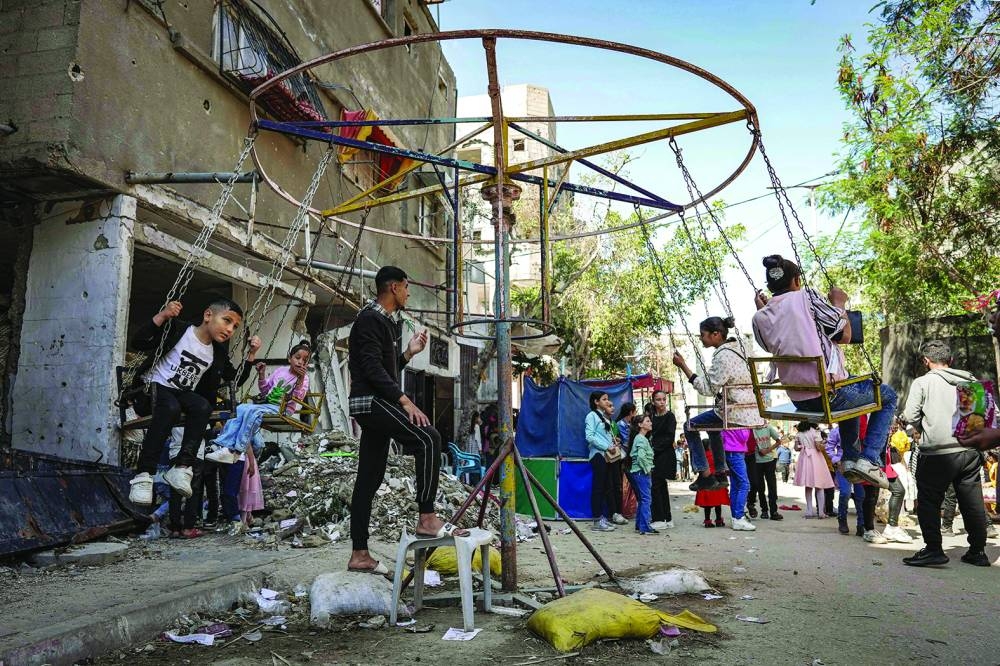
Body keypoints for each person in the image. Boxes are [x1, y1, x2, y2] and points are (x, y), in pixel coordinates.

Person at [347, 266, 466, 576]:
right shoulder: (370, 319)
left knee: (369, 479)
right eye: (406, 287)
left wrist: (408, 354)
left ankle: (359, 553)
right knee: (428, 438)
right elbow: (372, 371)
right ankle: (427, 517)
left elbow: (383, 369)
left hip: (374, 402)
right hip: (371, 402)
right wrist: (405, 400)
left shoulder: (384, 322)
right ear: (394, 287)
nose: (408, 293)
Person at [751, 254, 898, 488]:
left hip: (800, 400)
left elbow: (772, 342)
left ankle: (850, 460)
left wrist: (766, 309)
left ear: (770, 286)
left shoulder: (759, 317)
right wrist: (839, 303)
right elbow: (843, 333)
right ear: (797, 280)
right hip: (829, 395)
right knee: (888, 396)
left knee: (851, 394)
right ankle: (869, 459)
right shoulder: (806, 296)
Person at [126, 298, 261, 505]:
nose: (230, 329)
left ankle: (182, 467)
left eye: (234, 327)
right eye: (226, 320)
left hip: (179, 394)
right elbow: (139, 342)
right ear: (208, 315)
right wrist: (163, 316)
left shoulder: (217, 352)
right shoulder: (179, 330)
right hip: (151, 389)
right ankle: (144, 475)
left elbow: (234, 378)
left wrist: (251, 355)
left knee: (202, 406)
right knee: (170, 407)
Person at [901, 340, 992, 567]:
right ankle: (978, 551)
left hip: (937, 453)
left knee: (930, 501)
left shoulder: (923, 382)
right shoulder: (970, 380)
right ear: (950, 360)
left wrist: (921, 428)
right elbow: (979, 416)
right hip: (969, 451)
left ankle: (933, 549)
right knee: (972, 502)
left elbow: (910, 414)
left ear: (926, 361)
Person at [673, 316, 762, 491]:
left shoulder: (722, 356)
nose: (700, 338)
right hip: (750, 409)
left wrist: (683, 366)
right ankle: (720, 471)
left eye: (702, 334)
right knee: (712, 426)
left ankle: (704, 473)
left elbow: (708, 389)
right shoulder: (742, 347)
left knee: (689, 426)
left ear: (716, 334)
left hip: (734, 411)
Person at [207, 340, 312, 464]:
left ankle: (236, 450)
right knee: (240, 409)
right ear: (290, 358)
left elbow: (299, 398)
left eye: (304, 361)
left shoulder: (304, 379)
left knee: (253, 411)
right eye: (297, 358)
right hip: (268, 405)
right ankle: (223, 444)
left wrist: (300, 380)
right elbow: (264, 390)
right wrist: (261, 374)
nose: (300, 362)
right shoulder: (280, 371)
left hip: (283, 409)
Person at [585, 391, 620, 532]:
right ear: (596, 402)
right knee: (598, 488)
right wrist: (607, 447)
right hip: (598, 455)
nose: (607, 402)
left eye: (608, 399)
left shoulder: (605, 418)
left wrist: (613, 441)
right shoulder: (591, 416)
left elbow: (602, 436)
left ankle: (602, 518)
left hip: (607, 456)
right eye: (604, 399)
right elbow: (589, 436)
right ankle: (597, 520)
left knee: (606, 486)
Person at [646, 390, 677, 530]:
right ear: (653, 401)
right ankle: (667, 518)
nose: (662, 402)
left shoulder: (670, 416)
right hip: (654, 455)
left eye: (663, 399)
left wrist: (654, 450)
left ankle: (660, 518)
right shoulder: (651, 417)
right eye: (658, 399)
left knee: (657, 486)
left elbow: (669, 438)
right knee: (660, 486)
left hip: (665, 455)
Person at [828, 426, 865, 536]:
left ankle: (861, 525)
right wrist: (836, 460)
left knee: (860, 496)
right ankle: (842, 519)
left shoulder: (862, 427)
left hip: (860, 466)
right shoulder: (836, 430)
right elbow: (829, 448)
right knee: (845, 493)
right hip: (843, 466)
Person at [793, 422, 834, 519]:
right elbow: (819, 447)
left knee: (808, 485)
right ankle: (821, 512)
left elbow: (796, 448)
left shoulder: (799, 433)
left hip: (804, 458)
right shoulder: (815, 432)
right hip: (816, 458)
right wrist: (825, 444)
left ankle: (809, 511)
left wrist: (802, 447)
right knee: (819, 485)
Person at [628, 413, 656, 535]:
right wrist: (647, 469)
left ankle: (640, 525)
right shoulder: (641, 439)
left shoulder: (641, 438)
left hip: (637, 472)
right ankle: (645, 526)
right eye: (647, 421)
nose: (650, 423)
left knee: (642, 499)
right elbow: (641, 457)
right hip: (641, 472)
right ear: (640, 425)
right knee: (646, 499)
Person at [723, 428, 756, 531]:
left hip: (730, 450)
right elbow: (744, 437)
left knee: (736, 486)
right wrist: (748, 427)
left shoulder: (727, 417)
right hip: (736, 451)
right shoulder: (737, 419)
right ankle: (739, 517)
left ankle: (735, 517)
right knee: (744, 484)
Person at [882, 444, 913, 543]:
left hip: (882, 459)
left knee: (898, 491)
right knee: (898, 491)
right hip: (874, 458)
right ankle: (869, 529)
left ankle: (891, 527)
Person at [752, 423, 783, 520]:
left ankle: (774, 511)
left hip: (769, 461)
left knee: (772, 487)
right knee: (760, 487)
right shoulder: (751, 429)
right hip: (756, 462)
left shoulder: (768, 428)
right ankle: (764, 510)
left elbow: (778, 441)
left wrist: (768, 450)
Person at [696, 448, 730, 528]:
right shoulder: (715, 454)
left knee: (707, 504)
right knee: (718, 503)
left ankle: (707, 521)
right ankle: (719, 520)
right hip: (716, 479)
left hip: (705, 480)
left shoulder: (701, 456)